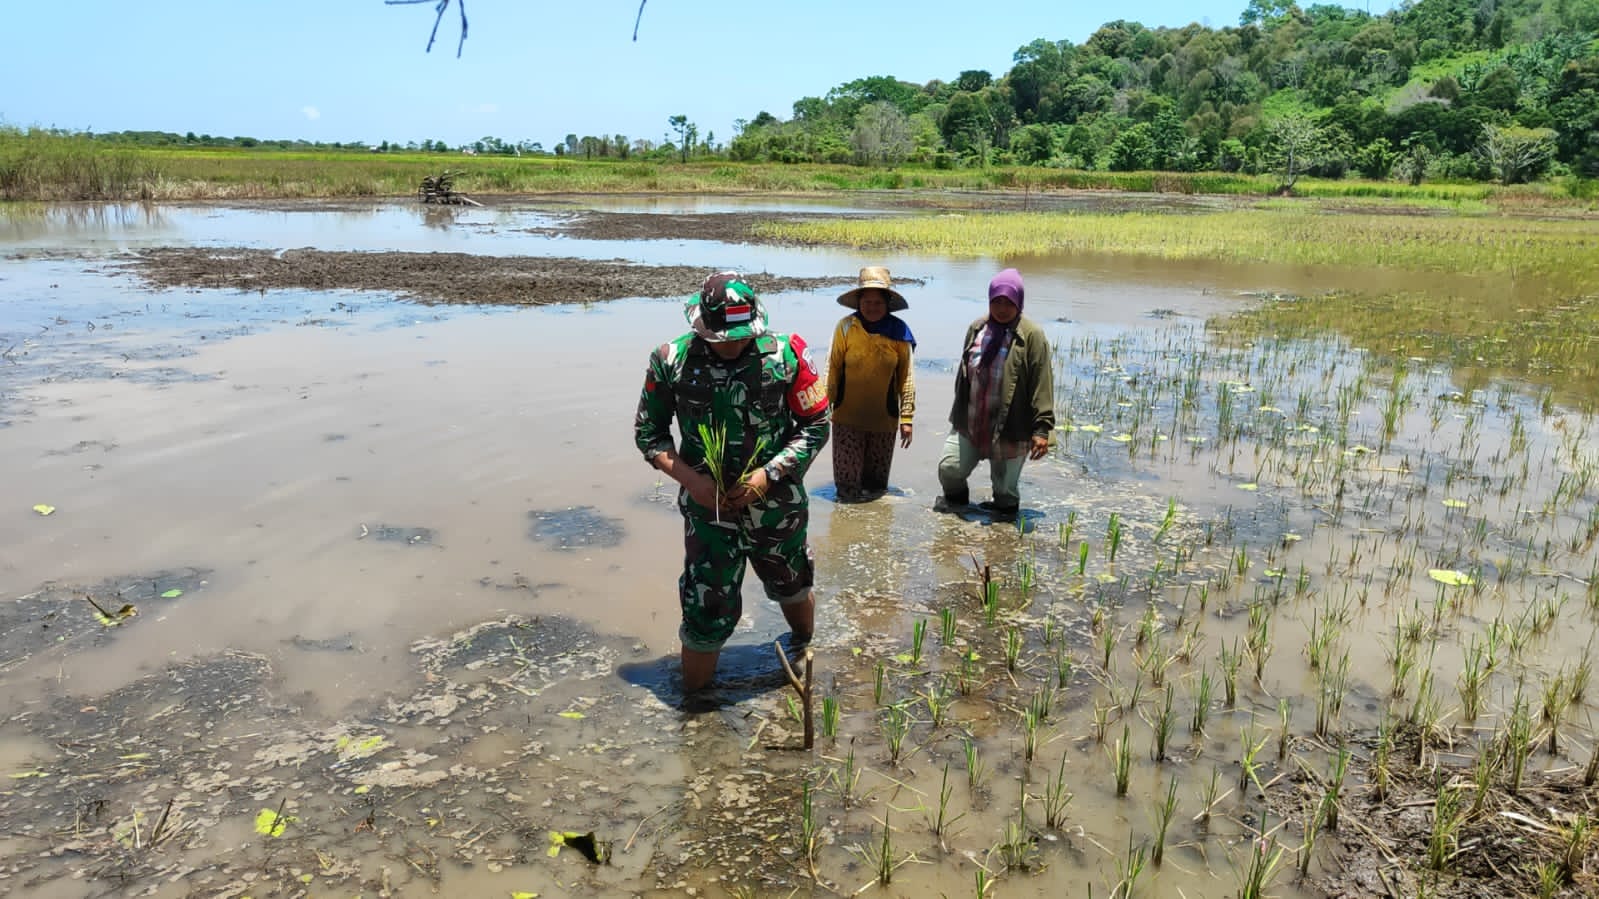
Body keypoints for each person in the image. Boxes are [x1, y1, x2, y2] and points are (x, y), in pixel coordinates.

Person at [634, 271, 831, 693]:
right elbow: (648, 434)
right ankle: (694, 718)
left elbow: (816, 423)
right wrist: (692, 481)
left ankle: (804, 654)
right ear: (703, 325)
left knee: (793, 584)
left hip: (777, 508)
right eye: (722, 338)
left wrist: (768, 475)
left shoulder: (786, 354)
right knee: (705, 609)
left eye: (740, 337)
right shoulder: (671, 359)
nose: (732, 345)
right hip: (709, 514)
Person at [936, 268, 1055, 522]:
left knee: (1005, 492)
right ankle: (957, 510)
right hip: (972, 421)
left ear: (1019, 302)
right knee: (950, 469)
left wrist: (1042, 430)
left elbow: (1041, 382)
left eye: (1008, 302)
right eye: (996, 301)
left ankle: (1003, 540)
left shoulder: (1032, 336)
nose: (1001, 308)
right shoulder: (977, 328)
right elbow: (964, 376)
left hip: (1011, 426)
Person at [826, 266, 916, 502]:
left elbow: (906, 378)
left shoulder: (899, 333)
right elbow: (833, 369)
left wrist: (907, 418)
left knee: (876, 490)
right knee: (846, 491)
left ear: (887, 304)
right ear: (859, 302)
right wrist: (824, 408)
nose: (872, 307)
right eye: (867, 301)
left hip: (883, 420)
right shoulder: (845, 327)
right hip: (847, 418)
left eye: (878, 302)